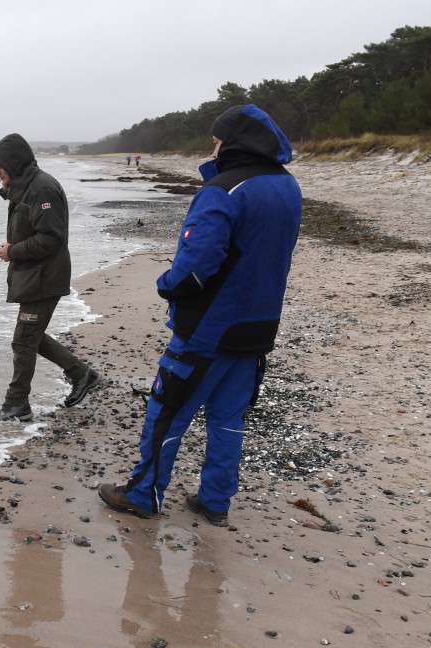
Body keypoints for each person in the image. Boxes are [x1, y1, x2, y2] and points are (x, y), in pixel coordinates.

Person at [98, 104, 303, 526]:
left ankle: (142, 495)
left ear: (234, 142)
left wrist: (165, 284)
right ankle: (215, 501)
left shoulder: (223, 191)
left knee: (167, 411)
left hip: (208, 329)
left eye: (217, 138)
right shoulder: (288, 187)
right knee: (228, 419)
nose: (213, 145)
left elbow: (193, 270)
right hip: (259, 327)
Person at [0, 133, 100, 421]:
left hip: (45, 277)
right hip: (35, 275)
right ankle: (82, 374)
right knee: (30, 336)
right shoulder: (26, 187)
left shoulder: (42, 189)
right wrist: (14, 249)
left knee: (23, 340)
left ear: (13, 164)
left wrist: (13, 251)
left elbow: (52, 239)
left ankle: (16, 405)